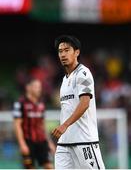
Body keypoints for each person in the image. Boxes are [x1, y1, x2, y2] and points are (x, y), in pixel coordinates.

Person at [52, 35, 105, 169]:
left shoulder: (83, 73)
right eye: (60, 51)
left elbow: (84, 103)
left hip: (84, 140)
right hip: (65, 143)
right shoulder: (64, 79)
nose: (63, 54)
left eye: (67, 50)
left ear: (77, 52)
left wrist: (64, 125)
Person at [13, 78, 55, 169]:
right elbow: (17, 125)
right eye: (36, 86)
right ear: (28, 88)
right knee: (30, 167)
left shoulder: (41, 104)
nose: (39, 89)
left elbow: (42, 125)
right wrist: (22, 144)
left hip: (41, 141)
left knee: (49, 166)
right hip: (28, 141)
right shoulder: (20, 103)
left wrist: (49, 142)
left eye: (39, 87)